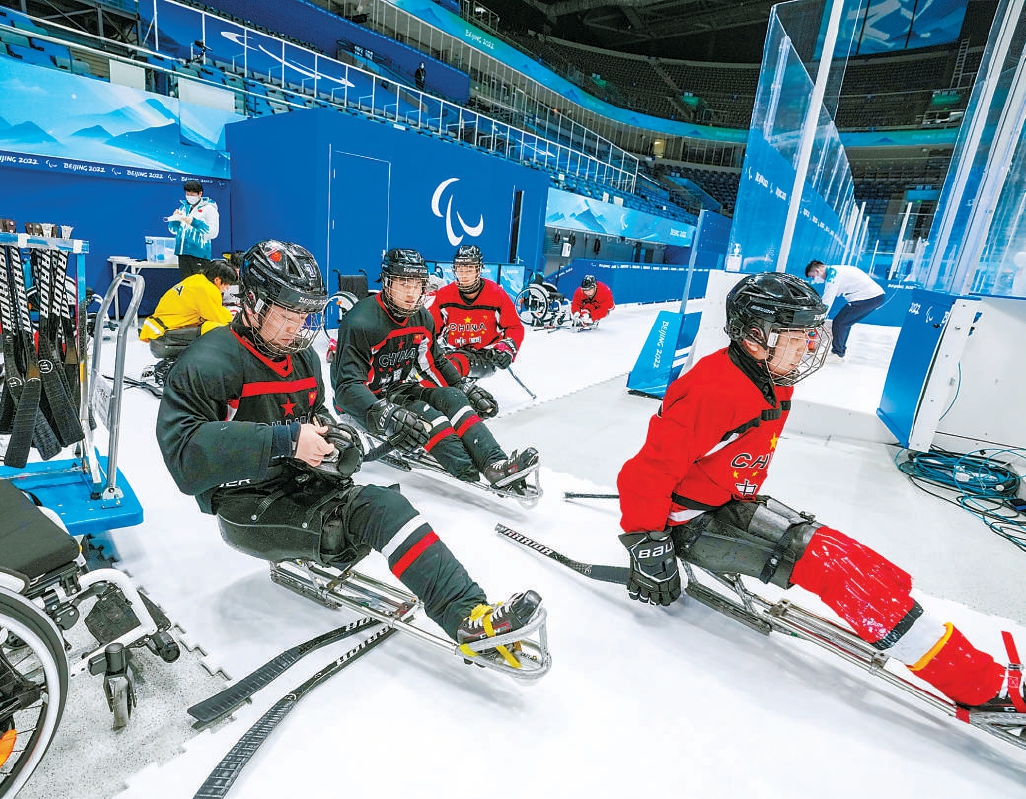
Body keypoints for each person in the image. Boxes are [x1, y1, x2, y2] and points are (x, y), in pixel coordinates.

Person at [614, 271, 1025, 715]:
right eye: (794, 337)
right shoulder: (714, 390)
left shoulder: (767, 376)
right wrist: (646, 543)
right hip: (689, 524)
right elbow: (645, 473)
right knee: (834, 570)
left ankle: (944, 645)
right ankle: (981, 686)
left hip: (724, 503)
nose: (808, 346)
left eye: (809, 335)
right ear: (754, 337)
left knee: (854, 558)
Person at [155, 239, 544, 665]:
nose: (296, 328)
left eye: (304, 316)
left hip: (301, 483)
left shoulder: (302, 360)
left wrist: (338, 438)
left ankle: (472, 617)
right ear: (251, 302)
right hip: (247, 506)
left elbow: (315, 412)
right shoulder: (207, 362)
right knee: (375, 508)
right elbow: (184, 458)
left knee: (387, 504)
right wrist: (287, 439)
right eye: (287, 315)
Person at [331, 248, 539, 493]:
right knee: (429, 418)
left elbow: (434, 363)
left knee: (453, 398)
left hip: (399, 389)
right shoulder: (361, 321)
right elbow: (345, 387)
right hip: (367, 401)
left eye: (417, 285)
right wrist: (383, 412)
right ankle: (469, 468)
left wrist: (463, 387)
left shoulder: (421, 318)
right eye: (402, 283)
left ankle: (495, 464)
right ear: (387, 283)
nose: (411, 293)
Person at [430, 245, 525, 380]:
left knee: (450, 367)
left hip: (486, 354)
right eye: (460, 269)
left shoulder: (496, 294)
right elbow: (431, 330)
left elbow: (514, 327)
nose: (464, 275)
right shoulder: (444, 295)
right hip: (452, 350)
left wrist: (507, 349)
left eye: (469, 269)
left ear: (478, 270)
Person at [139, 258, 236, 386]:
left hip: (156, 326)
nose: (227, 288)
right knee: (215, 329)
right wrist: (235, 317)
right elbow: (218, 317)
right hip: (165, 331)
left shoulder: (196, 279)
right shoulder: (208, 290)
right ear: (217, 279)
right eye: (226, 284)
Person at [804, 260, 885, 363]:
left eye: (813, 277)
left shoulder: (833, 274)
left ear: (817, 271)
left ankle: (838, 353)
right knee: (844, 323)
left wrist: (818, 318)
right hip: (874, 297)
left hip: (868, 297)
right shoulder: (836, 270)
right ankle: (839, 352)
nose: (814, 280)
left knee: (840, 322)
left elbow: (828, 299)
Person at [167, 179, 220, 279]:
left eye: (192, 194)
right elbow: (173, 230)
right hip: (182, 254)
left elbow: (213, 233)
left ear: (200, 193)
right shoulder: (183, 208)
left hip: (199, 255)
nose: (189, 196)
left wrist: (193, 222)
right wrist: (175, 220)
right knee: (187, 288)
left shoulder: (209, 209)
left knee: (199, 288)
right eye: (187, 193)